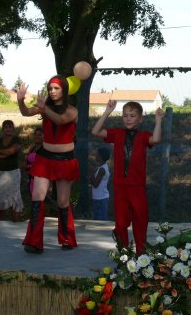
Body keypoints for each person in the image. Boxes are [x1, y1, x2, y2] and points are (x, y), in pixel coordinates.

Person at [91, 100, 165, 254]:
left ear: (140, 119)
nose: (128, 119)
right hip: (120, 186)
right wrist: (107, 112)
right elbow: (96, 132)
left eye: (132, 115)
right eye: (125, 115)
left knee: (140, 220)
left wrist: (158, 121)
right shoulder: (117, 133)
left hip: (137, 186)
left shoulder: (143, 136)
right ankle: (124, 253)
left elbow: (156, 139)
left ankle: (141, 254)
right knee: (121, 221)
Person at [18, 76, 79, 253]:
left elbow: (60, 120)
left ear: (64, 90)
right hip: (45, 158)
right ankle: (34, 242)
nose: (52, 91)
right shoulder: (44, 108)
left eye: (56, 88)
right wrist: (20, 100)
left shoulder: (72, 111)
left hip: (65, 160)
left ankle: (67, 238)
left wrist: (45, 108)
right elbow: (26, 112)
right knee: (37, 197)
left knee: (62, 201)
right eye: (50, 88)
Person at [0, 120, 23, 222]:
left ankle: (15, 222)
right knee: (0, 197)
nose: (8, 129)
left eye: (10, 127)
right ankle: (0, 222)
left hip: (13, 173)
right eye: (6, 127)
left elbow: (11, 151)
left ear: (13, 128)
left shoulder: (17, 139)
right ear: (3, 129)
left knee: (14, 197)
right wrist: (5, 154)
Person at [91, 145, 111, 221]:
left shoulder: (102, 169)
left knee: (101, 221)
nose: (96, 156)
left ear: (101, 157)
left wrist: (91, 174)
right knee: (98, 219)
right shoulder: (102, 168)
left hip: (100, 199)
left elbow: (95, 184)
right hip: (99, 198)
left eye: (97, 155)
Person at [25, 127, 45, 197]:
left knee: (39, 199)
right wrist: (26, 165)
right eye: (35, 134)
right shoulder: (32, 148)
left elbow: (44, 165)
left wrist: (31, 166)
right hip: (32, 177)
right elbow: (27, 162)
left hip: (41, 179)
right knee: (33, 198)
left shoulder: (45, 149)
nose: (37, 136)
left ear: (44, 136)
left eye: (40, 135)